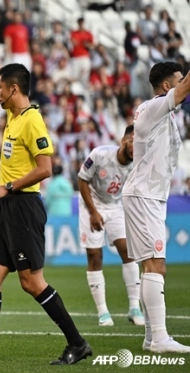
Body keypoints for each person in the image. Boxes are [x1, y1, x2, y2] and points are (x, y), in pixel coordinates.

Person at [0, 15, 92, 367]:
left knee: (31, 281)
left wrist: (6, 187)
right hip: (6, 209)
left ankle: (78, 343)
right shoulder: (14, 114)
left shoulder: (32, 120)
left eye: (0, 88)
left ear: (14, 89)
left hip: (22, 205)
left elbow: (45, 169)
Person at [122, 62, 190, 353]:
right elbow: (186, 88)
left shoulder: (161, 113)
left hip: (149, 195)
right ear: (167, 86)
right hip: (144, 195)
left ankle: (152, 337)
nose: (182, 85)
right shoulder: (154, 107)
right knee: (156, 264)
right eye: (177, 80)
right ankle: (160, 338)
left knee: (151, 264)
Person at [77, 125, 144, 327]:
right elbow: (81, 181)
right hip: (91, 203)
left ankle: (134, 308)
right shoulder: (100, 154)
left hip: (115, 206)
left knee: (128, 252)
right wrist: (93, 212)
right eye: (134, 142)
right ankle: (103, 312)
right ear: (124, 141)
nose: (136, 148)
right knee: (95, 256)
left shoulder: (138, 165)